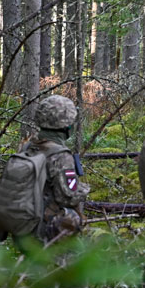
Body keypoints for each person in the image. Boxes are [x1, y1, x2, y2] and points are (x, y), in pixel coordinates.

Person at [24, 95, 90, 241]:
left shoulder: (27, 147)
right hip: (44, 230)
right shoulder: (60, 155)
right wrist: (84, 188)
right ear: (66, 126)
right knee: (74, 220)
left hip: (22, 223)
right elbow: (68, 198)